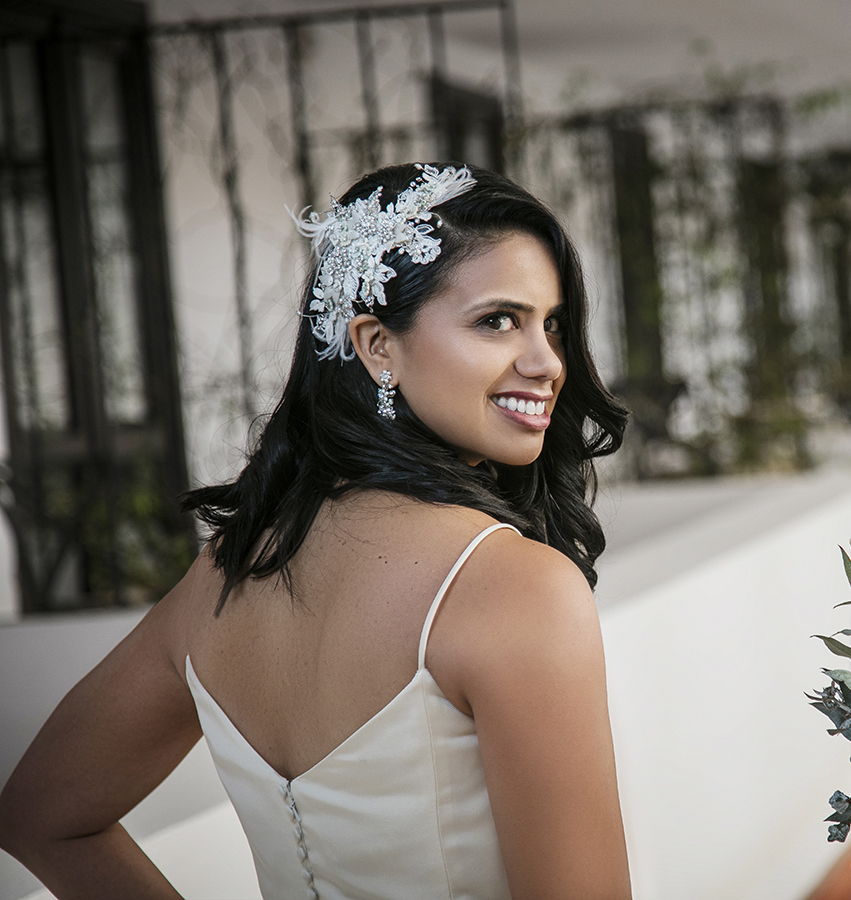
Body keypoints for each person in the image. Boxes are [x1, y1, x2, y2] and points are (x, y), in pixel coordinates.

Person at [0, 163, 632, 900]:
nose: (548, 362)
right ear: (377, 345)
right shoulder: (515, 588)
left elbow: (42, 818)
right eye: (498, 320)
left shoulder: (226, 573)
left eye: (552, 323)